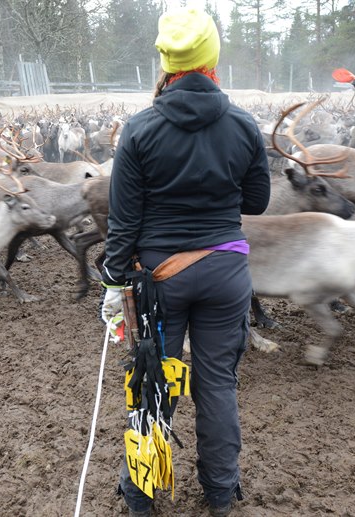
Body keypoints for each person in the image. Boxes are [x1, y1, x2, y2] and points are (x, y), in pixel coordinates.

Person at [98, 6, 271, 516]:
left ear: (167, 63)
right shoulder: (242, 125)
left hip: (158, 280)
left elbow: (123, 222)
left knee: (154, 382)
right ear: (212, 60)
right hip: (225, 273)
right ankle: (221, 493)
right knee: (218, 384)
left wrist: (113, 283)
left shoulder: (140, 128)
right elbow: (257, 201)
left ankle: (142, 498)